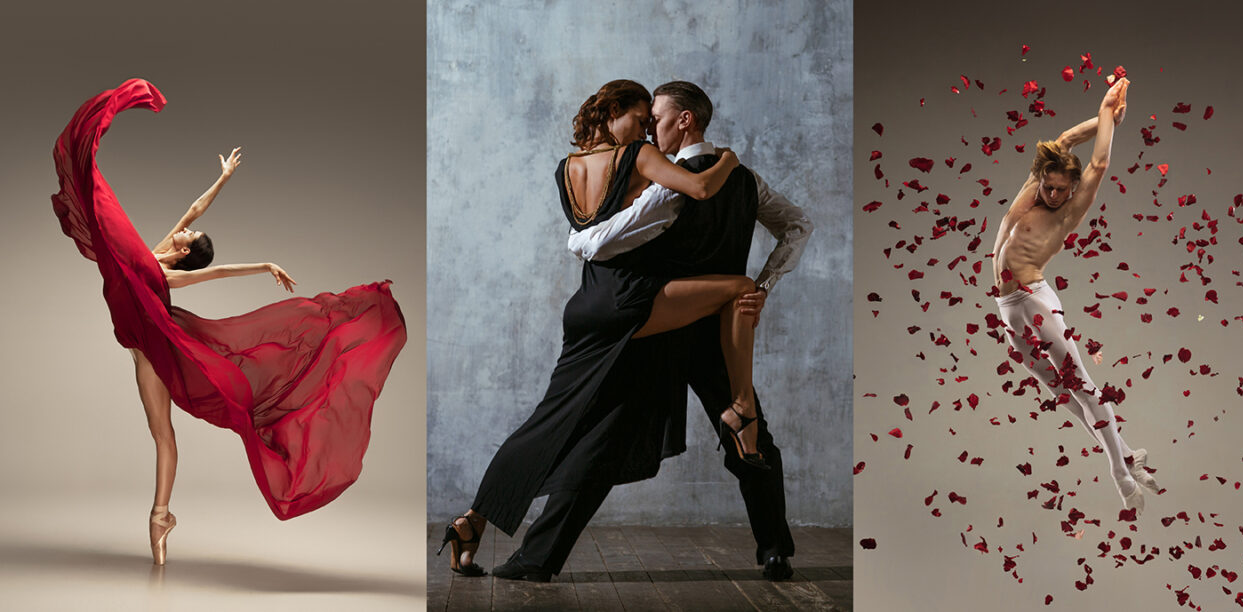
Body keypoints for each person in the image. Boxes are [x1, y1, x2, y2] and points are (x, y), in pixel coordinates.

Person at [49, 78, 408, 565]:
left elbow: (217, 269)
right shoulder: (152, 251)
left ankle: (159, 517)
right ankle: (161, 519)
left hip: (152, 354)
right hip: (142, 347)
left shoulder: (162, 275)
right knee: (163, 435)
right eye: (191, 230)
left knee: (163, 437)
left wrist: (262, 265)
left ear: (185, 251)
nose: (188, 227)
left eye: (191, 233)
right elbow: (193, 210)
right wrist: (222, 178)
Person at [441, 79, 763, 582]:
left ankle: (472, 520)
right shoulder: (635, 155)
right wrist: (729, 159)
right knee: (741, 285)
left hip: (587, 302)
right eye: (638, 118)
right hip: (630, 300)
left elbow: (587, 237)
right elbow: (699, 188)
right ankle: (742, 407)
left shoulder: (565, 169)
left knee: (548, 421)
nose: (646, 130)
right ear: (613, 114)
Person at [557, 80, 815, 579]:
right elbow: (799, 224)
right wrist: (762, 285)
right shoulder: (743, 178)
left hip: (661, 324)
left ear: (684, 120)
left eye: (655, 118)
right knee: (750, 431)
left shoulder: (662, 181)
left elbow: (607, 244)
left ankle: (538, 556)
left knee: (604, 441)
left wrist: (584, 242)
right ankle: (774, 549)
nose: (647, 129)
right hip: (722, 330)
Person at [988, 76, 1163, 514]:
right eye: (1048, 186)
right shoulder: (1035, 188)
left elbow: (1098, 165)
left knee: (1083, 388)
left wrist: (1108, 115)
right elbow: (1065, 139)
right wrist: (1105, 115)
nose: (1051, 195)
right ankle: (1127, 454)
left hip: (1033, 299)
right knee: (1060, 393)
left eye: (1060, 190)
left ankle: (1121, 474)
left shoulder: (1069, 209)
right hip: (1007, 307)